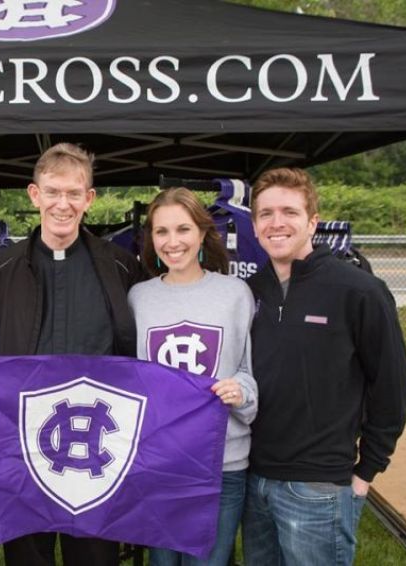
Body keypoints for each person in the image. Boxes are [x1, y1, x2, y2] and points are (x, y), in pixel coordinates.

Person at [0, 142, 144, 566]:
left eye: (73, 193)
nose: (62, 204)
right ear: (34, 194)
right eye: (52, 192)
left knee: (95, 558)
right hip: (24, 446)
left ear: (89, 198)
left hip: (98, 445)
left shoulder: (121, 266)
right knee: (29, 557)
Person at [241, 168, 406, 566]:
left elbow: (392, 387)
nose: (276, 223)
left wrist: (365, 472)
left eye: (289, 212)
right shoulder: (250, 293)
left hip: (319, 485)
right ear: (254, 224)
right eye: (265, 214)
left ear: (312, 221)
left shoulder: (358, 291)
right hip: (256, 478)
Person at [127, 188, 257, 566]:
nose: (173, 242)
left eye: (183, 229)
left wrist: (240, 392)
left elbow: (250, 371)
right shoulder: (138, 297)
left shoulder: (236, 294)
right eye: (161, 231)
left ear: (202, 233)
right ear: (150, 238)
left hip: (222, 461)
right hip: (160, 462)